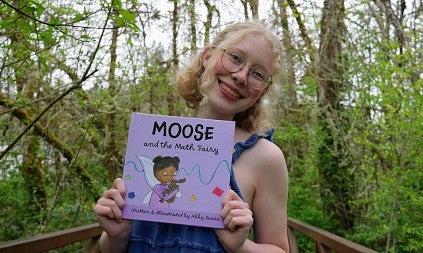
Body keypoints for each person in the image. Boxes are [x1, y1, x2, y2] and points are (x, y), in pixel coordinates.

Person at [93, 20, 289, 253]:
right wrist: (117, 236)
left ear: (262, 92)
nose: (241, 76)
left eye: (257, 74)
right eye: (235, 58)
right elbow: (111, 246)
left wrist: (240, 246)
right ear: (208, 56)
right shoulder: (153, 139)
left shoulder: (265, 157)